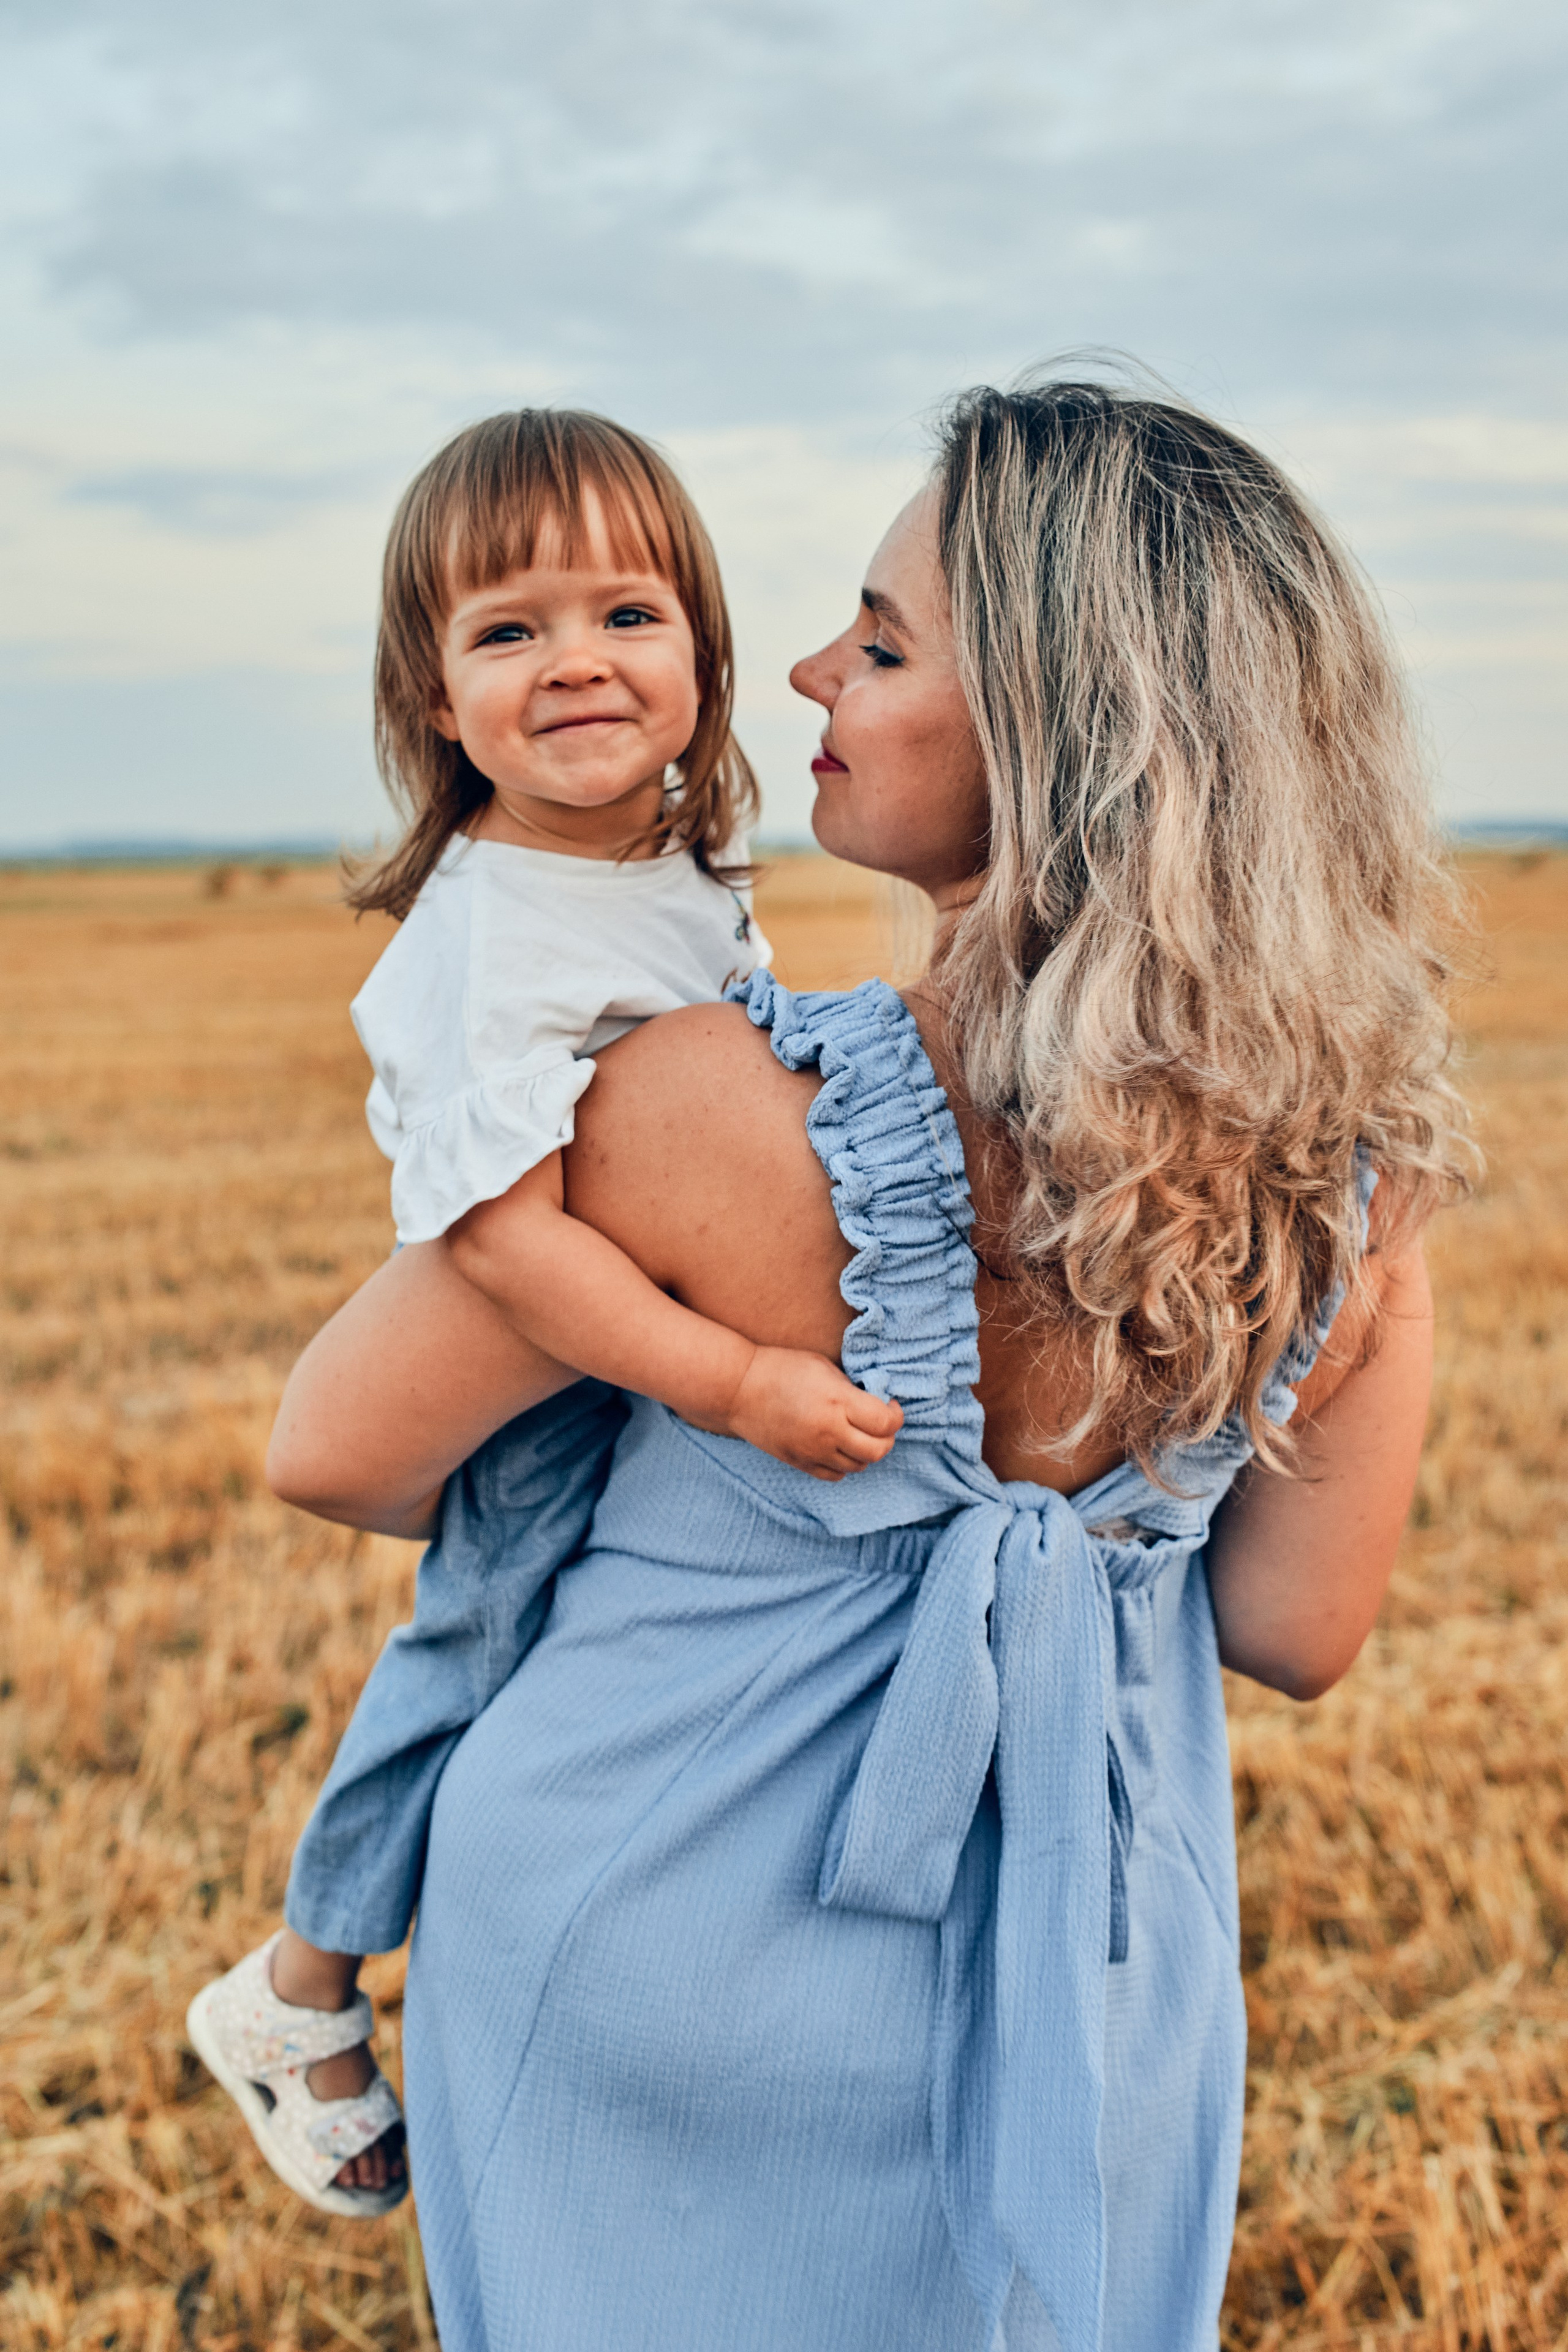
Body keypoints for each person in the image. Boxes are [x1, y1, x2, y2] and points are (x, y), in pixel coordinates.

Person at [259, 375, 1468, 2350]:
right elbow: (1299, 1625)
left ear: (1066, 738)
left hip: (649, 1959)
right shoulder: (1351, 1187)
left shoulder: (695, 1110)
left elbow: (340, 1452)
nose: (806, 667)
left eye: (885, 640)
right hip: (1087, 2007)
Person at [185, 409, 901, 2219]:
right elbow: (507, 1251)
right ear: (435, 701)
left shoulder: (669, 874)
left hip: (634, 1357)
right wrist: (732, 1377)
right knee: (472, 1651)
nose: (574, 659)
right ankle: (301, 1983)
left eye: (626, 615)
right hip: (564, 1378)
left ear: (704, 657)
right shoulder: (491, 936)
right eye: (508, 632)